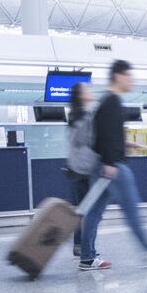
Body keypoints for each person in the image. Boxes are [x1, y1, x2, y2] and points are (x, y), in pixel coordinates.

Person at [78, 60, 147, 271]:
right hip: (113, 167)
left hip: (102, 165)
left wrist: (123, 145)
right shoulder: (111, 101)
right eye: (129, 76)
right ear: (118, 76)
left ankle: (86, 257)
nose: (132, 80)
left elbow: (104, 136)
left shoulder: (106, 101)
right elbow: (105, 137)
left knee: (93, 213)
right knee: (131, 210)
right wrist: (112, 161)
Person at [64, 80, 99, 261]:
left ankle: (83, 247)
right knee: (87, 211)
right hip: (83, 169)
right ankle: (85, 249)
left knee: (84, 210)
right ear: (80, 95)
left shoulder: (80, 115)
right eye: (87, 89)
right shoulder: (81, 116)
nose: (91, 90)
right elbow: (90, 140)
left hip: (80, 168)